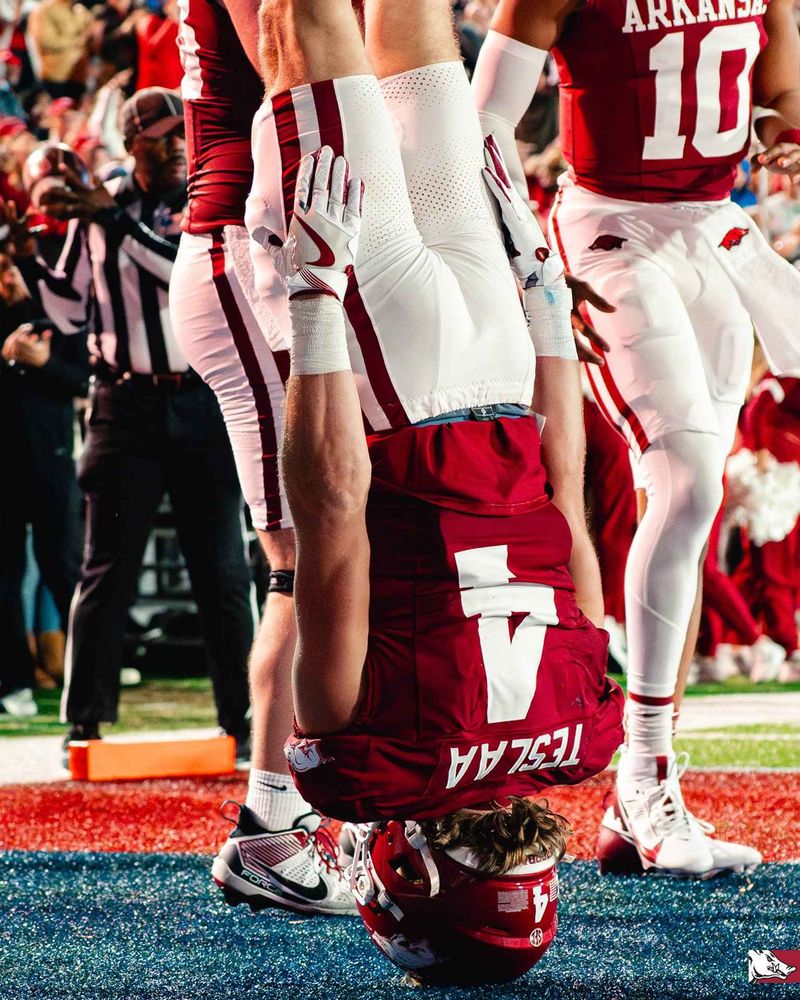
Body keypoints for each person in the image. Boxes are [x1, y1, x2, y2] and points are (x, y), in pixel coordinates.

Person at [236, 0, 624, 984]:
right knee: (305, 28)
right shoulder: (361, 758)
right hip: (400, 384)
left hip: (502, 365)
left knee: (407, 39)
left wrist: (540, 308)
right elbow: (330, 511)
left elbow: (564, 495)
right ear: (410, 874)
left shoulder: (579, 733)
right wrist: (314, 304)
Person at [470, 0, 800, 877]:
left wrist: (778, 133)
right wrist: (522, 261)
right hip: (610, 230)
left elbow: (779, 95)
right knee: (686, 481)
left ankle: (639, 796)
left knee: (693, 505)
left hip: (717, 233)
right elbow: (483, 124)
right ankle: (646, 782)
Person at [170, 0, 354, 916]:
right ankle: (269, 826)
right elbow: (295, 74)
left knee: (326, 544)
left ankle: (301, 809)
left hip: (252, 243)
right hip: (241, 249)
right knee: (300, 555)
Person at [6, 96, 255, 754]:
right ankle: (83, 718)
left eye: (182, 135)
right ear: (131, 143)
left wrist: (111, 219)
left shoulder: (212, 193)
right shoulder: (103, 203)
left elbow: (183, 276)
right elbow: (68, 309)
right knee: (104, 567)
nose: (175, 147)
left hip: (203, 399)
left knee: (223, 568)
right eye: (158, 138)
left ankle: (244, 714)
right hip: (125, 403)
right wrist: (30, 257)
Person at [26, 0, 92, 101]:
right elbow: (47, 42)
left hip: (79, 75)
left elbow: (91, 34)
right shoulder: (44, 10)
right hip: (55, 76)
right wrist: (78, 41)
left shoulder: (80, 10)